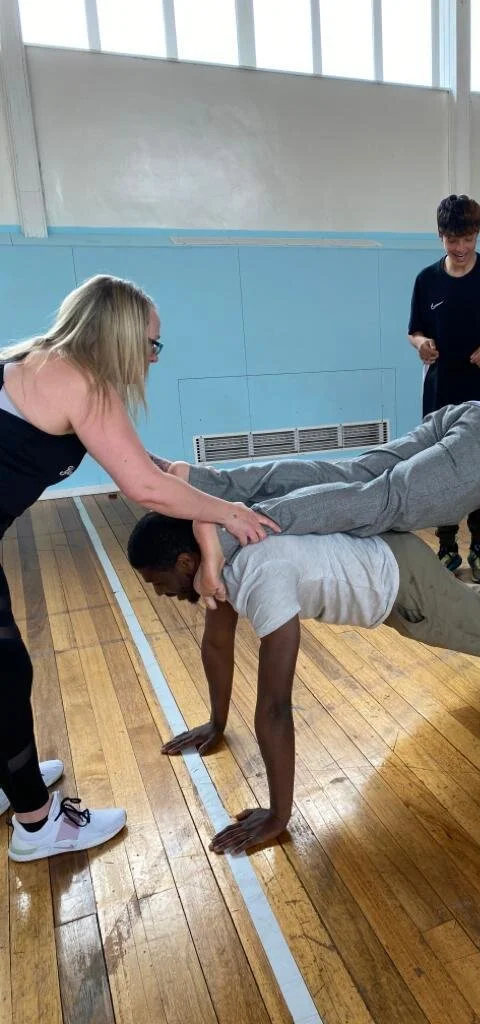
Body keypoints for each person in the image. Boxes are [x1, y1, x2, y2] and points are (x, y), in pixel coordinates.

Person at [127, 512, 480, 853]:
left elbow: (276, 707)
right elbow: (217, 643)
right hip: (389, 559)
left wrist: (279, 816)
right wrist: (215, 723)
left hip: (399, 589)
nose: (161, 592)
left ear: (187, 562)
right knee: (475, 615)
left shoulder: (259, 577)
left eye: (157, 581)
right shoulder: (225, 552)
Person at [0, 275, 275, 862]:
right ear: (120, 337)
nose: (153, 356)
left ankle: (11, 778)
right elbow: (146, 488)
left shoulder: (46, 361)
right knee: (3, 675)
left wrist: (166, 468)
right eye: (152, 343)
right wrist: (227, 512)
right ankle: (35, 823)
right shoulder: (82, 381)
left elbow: (137, 463)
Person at [171, 396, 480, 650]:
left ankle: (201, 480)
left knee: (350, 474)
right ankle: (229, 533)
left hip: (468, 418)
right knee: (376, 502)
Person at [408, 195, 480, 583]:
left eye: (468, 239)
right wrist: (420, 344)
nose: (460, 249)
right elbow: (414, 331)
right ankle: (446, 547)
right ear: (440, 236)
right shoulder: (426, 280)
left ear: (477, 234)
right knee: (441, 466)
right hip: (441, 387)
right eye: (452, 240)